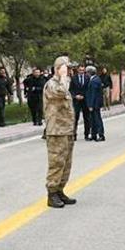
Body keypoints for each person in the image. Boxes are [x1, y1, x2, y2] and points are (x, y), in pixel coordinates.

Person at [43, 56, 77, 208]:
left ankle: (60, 190)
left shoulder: (64, 84)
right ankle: (52, 193)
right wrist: (63, 76)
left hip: (66, 130)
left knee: (66, 164)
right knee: (56, 163)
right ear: (58, 69)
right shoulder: (52, 85)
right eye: (66, 68)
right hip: (56, 131)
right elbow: (61, 93)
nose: (69, 71)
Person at [70, 63, 91, 141]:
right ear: (77, 70)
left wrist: (84, 96)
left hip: (85, 100)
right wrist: (75, 96)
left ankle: (87, 134)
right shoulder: (73, 78)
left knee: (87, 118)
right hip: (76, 100)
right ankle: (74, 134)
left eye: (83, 70)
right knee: (75, 118)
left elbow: (89, 89)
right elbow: (71, 89)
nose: (81, 71)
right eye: (80, 70)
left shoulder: (87, 78)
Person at [85, 65, 105, 141]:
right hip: (95, 103)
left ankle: (101, 134)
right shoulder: (95, 79)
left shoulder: (94, 81)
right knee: (93, 119)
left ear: (89, 73)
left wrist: (90, 105)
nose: (86, 74)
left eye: (87, 72)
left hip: (95, 104)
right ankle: (94, 134)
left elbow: (93, 94)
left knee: (97, 119)